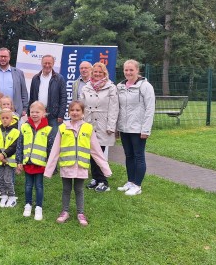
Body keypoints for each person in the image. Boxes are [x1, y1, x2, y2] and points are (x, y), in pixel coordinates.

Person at [44, 101, 112, 226]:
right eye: (72, 110)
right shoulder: (62, 128)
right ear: (69, 112)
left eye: (78, 110)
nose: (75, 112)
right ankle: (65, 212)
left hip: (81, 166)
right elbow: (55, 150)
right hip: (67, 165)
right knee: (66, 189)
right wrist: (49, 170)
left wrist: (105, 169)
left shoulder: (88, 128)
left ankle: (80, 213)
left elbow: (96, 150)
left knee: (79, 189)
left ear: (83, 113)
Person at [116, 59, 155, 196]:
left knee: (139, 156)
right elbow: (117, 108)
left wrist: (146, 129)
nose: (128, 72)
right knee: (128, 155)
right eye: (126, 70)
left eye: (131, 70)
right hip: (124, 128)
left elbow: (150, 109)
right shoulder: (119, 86)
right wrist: (117, 127)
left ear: (137, 71)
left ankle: (137, 185)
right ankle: (130, 181)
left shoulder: (145, 86)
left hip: (138, 129)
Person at [80, 62, 119, 192]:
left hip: (103, 123)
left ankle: (104, 181)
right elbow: (81, 106)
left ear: (104, 74)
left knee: (99, 153)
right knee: (91, 152)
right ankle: (96, 178)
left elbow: (114, 108)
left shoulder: (111, 87)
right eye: (95, 72)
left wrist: (111, 126)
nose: (97, 74)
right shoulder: (86, 87)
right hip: (89, 123)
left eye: (100, 72)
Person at [16, 101, 55, 221]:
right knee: (28, 186)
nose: (34, 114)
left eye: (37, 112)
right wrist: (19, 161)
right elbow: (20, 145)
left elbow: (51, 148)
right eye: (32, 112)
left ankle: (38, 207)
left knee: (39, 186)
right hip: (27, 162)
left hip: (40, 164)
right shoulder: (24, 127)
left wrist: (51, 165)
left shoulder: (48, 129)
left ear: (44, 113)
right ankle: (28, 205)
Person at [0, 48, 29, 117]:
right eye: (1, 56)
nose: (3, 58)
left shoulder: (18, 73)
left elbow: (24, 93)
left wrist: (24, 109)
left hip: (15, 111)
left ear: (9, 58)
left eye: (5, 56)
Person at [28, 54, 67, 127]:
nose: (47, 65)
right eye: (45, 63)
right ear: (41, 63)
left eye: (49, 63)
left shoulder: (59, 78)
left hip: (53, 116)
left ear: (53, 64)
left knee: (52, 138)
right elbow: (32, 97)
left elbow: (63, 98)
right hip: (37, 115)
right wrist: (29, 113)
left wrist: (61, 115)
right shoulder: (35, 78)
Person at [0, 108, 20, 208]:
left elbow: (14, 146)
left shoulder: (16, 132)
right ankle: (3, 195)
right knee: (0, 179)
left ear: (11, 119)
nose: (4, 120)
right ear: (0, 118)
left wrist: (4, 154)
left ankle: (12, 197)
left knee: (8, 179)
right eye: (2, 118)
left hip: (9, 160)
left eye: (7, 118)